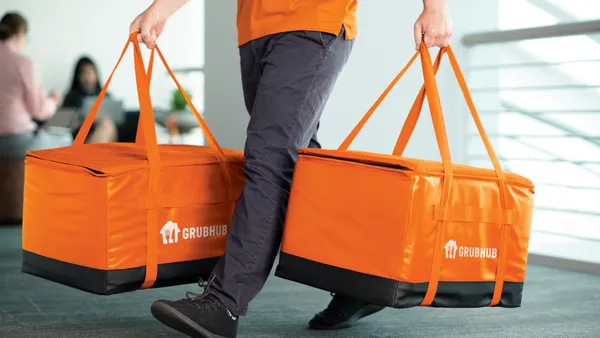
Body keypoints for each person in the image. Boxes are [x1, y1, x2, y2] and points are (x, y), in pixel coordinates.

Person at [130, 1, 452, 337]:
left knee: (270, 158)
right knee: (299, 165)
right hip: (255, 29)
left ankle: (225, 301)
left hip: (314, 21)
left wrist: (436, 7)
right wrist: (163, 9)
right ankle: (363, 279)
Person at [0, 12, 68, 157]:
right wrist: (53, 101)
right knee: (66, 140)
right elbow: (38, 110)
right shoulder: (23, 63)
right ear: (20, 33)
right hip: (17, 140)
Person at [62, 56, 118, 143]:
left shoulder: (105, 96)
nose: (87, 76)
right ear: (78, 76)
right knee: (107, 126)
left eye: (90, 72)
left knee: (107, 124)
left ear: (96, 74)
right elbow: (63, 124)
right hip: (81, 135)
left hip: (104, 133)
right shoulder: (71, 97)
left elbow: (115, 118)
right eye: (83, 73)